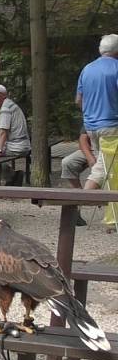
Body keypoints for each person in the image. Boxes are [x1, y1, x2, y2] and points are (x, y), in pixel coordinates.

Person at [76, 34, 118, 190]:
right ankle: (83, 199)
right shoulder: (116, 68)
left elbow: (79, 100)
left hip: (91, 128)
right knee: (102, 169)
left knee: (108, 167)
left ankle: (110, 208)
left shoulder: (87, 69)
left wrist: (91, 114)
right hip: (112, 127)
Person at [0, 84, 31, 185]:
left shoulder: (5, 109)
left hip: (17, 146)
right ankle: (13, 176)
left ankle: (12, 177)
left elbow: (3, 132)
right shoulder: (11, 105)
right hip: (23, 144)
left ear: (2, 96)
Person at [60, 126, 93, 226]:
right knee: (68, 162)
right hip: (92, 150)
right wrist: (90, 157)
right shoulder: (91, 113)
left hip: (110, 150)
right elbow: (83, 140)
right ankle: (78, 193)